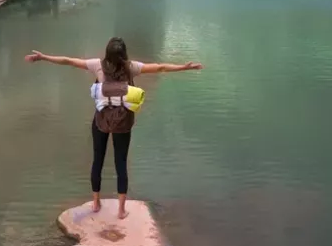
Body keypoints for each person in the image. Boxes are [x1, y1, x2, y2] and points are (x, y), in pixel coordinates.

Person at [25, 38, 202, 219]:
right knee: (121, 163)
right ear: (124, 54)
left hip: (101, 120)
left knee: (98, 161)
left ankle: (95, 202)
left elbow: (68, 61)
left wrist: (43, 57)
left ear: (107, 53)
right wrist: (184, 67)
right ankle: (121, 209)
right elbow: (159, 67)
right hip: (122, 123)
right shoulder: (131, 67)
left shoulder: (97, 65)